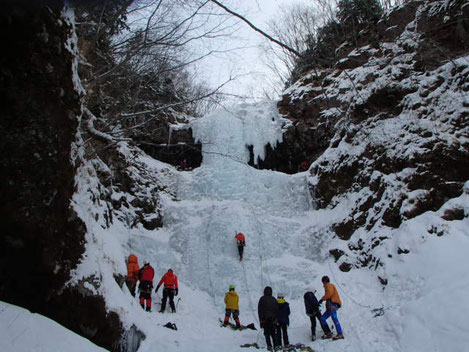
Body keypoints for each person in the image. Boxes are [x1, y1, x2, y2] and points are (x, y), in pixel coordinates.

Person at [319, 276, 344, 340]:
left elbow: (329, 294)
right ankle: (328, 333)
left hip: (333, 304)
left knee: (334, 318)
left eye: (323, 282)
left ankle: (340, 333)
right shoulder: (331, 285)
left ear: (324, 281)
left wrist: (322, 299)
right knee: (322, 318)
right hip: (330, 306)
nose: (323, 284)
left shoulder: (328, 285)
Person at [258, 286, 279, 351]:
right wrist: (275, 319)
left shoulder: (262, 299)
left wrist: (261, 320)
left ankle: (269, 346)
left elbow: (260, 310)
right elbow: (276, 310)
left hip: (265, 319)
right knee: (273, 333)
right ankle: (276, 346)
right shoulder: (274, 299)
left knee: (267, 333)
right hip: (272, 319)